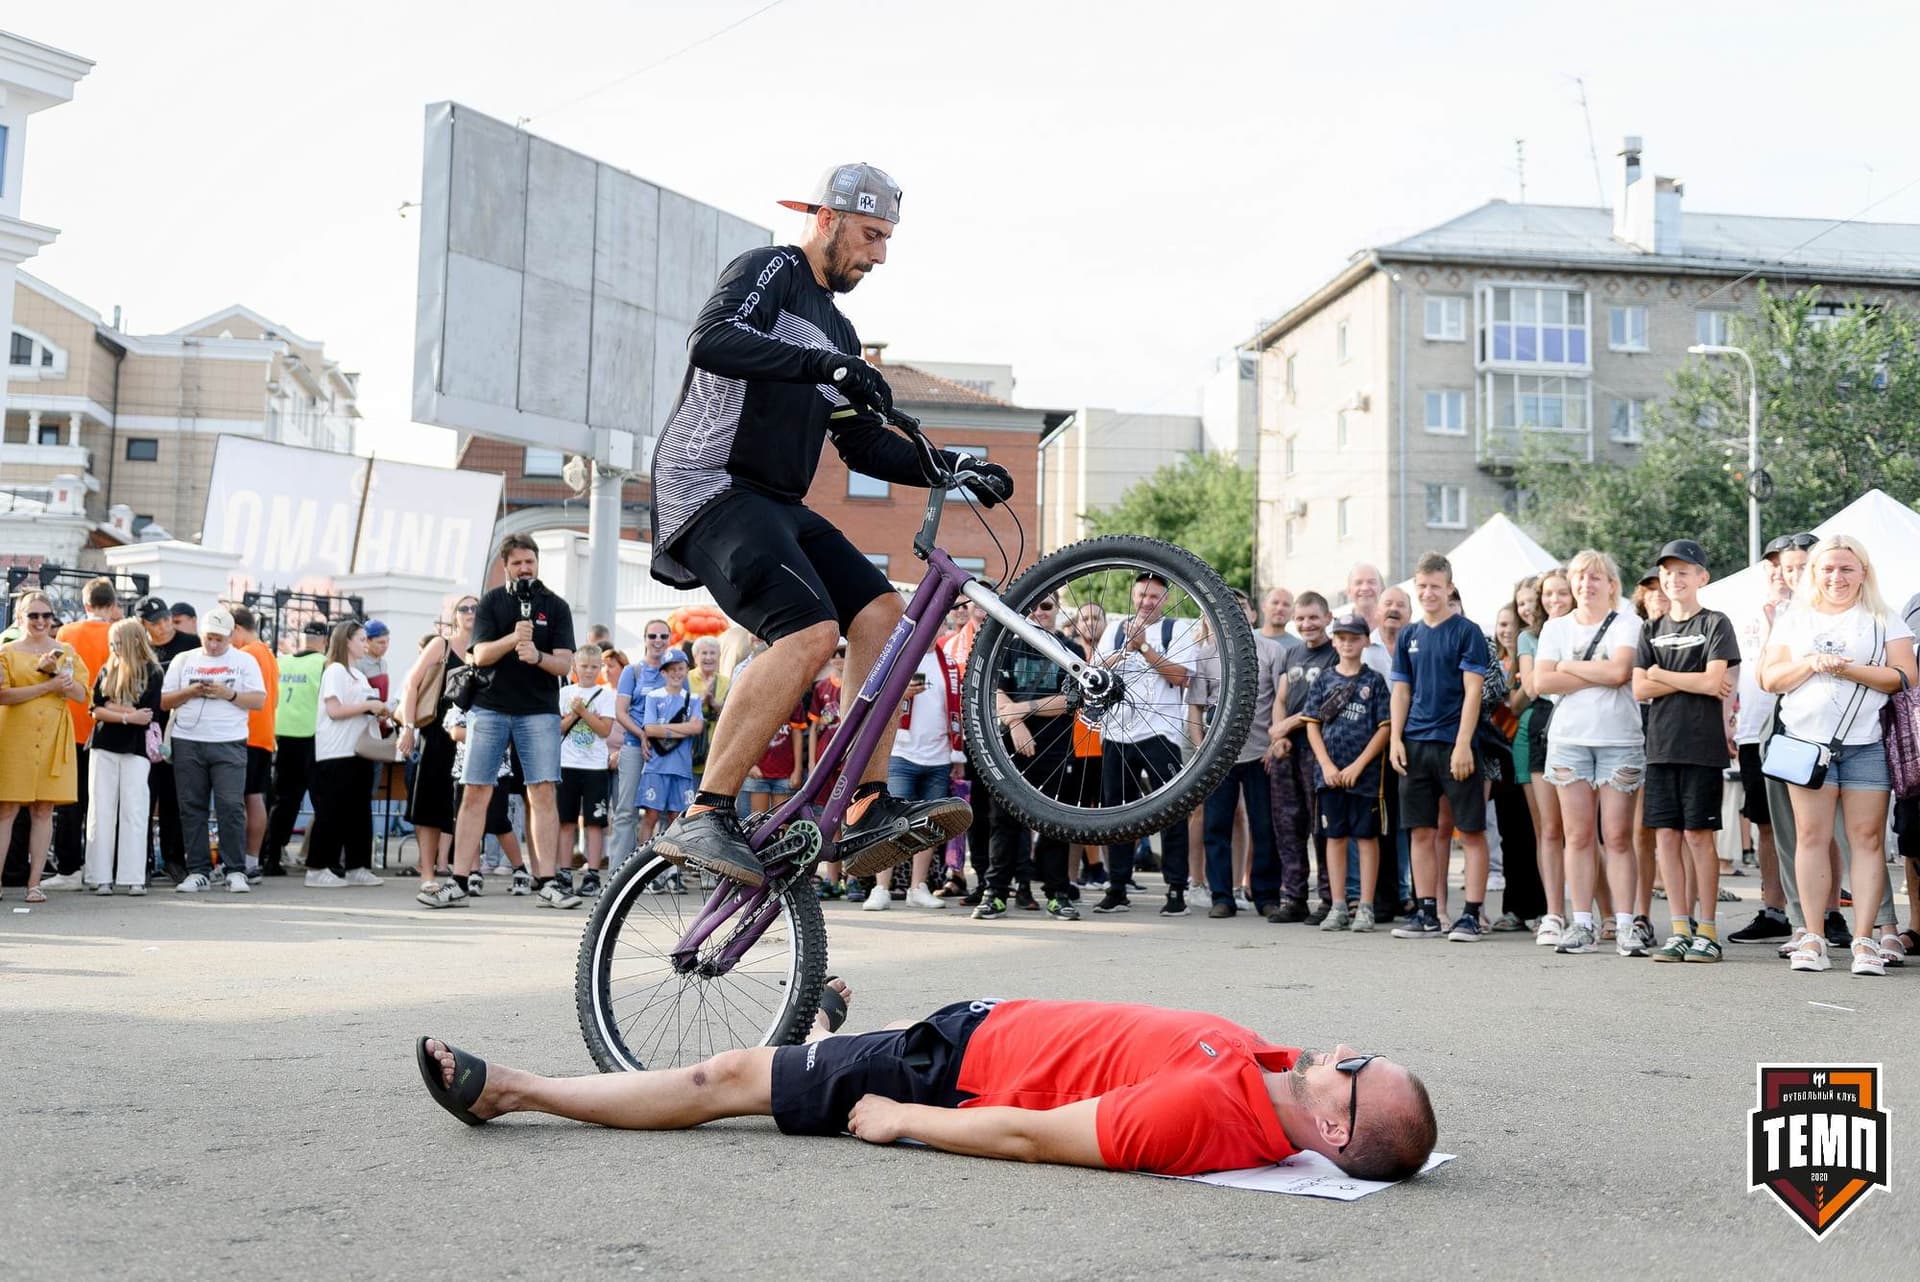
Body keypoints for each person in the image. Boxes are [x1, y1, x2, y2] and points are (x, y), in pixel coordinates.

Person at [645, 164, 1003, 889]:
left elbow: (862, 443)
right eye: (871, 236)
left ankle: (868, 802)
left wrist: (951, 468)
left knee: (882, 614)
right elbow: (712, 340)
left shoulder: (839, 328)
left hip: (776, 500)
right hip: (710, 484)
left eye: (888, 240)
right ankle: (707, 810)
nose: (878, 256)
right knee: (807, 633)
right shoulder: (770, 267)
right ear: (829, 218)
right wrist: (828, 365)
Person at [414, 986, 1438, 1183]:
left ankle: (512, 1089)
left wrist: (906, 1117)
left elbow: (1043, 1137)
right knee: (803, 1057)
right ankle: (818, 1024)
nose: (1339, 1051)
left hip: (943, 1070)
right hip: (970, 1026)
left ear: (1338, 1132)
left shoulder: (1204, 1116)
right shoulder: (1269, 1071)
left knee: (725, 1077)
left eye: (1353, 1068)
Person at [1760, 535, 1918, 976]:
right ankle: (1812, 935)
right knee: (1812, 838)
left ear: (1863, 572)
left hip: (1867, 744)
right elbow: (1770, 677)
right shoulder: (1796, 618)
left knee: (1867, 842)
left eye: (1847, 568)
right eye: (1827, 568)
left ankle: (1865, 939)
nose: (1837, 576)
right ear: (1814, 573)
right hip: (1806, 743)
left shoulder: (1883, 618)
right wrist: (1810, 663)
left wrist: (1848, 668)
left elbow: (1905, 675)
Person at [431, 535, 579, 911]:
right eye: (517, 563)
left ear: (537, 562)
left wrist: (537, 655)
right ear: (505, 565)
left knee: (542, 792)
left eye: (529, 561)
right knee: (475, 791)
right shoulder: (492, 603)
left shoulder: (556, 606)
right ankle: (459, 880)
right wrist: (513, 638)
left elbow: (564, 664)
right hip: (490, 708)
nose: (524, 568)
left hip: (539, 711)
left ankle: (547, 881)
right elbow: (477, 654)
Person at [1631, 540, 1742, 963]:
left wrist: (1662, 673)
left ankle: (1707, 930)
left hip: (1702, 746)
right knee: (1666, 837)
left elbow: (1716, 682)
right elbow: (1640, 687)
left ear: (1701, 577)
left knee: (1698, 836)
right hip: (1660, 746)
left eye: (1683, 571)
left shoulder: (1716, 623)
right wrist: (1686, 677)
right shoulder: (1650, 628)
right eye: (1668, 572)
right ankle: (1679, 928)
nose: (1674, 579)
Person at [1534, 551, 1644, 956]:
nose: (1586, 584)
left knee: (1617, 835)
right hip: (1570, 740)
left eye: (1595, 577)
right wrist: (1588, 670)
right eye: (1579, 577)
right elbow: (1541, 679)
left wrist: (1569, 667)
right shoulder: (1555, 628)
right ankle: (1581, 922)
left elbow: (1620, 674)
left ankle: (1626, 923)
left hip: (1619, 739)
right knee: (1577, 835)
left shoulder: (1628, 623)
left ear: (1611, 584)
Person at [1387, 554, 1492, 942]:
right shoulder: (1410, 635)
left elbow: (1473, 691)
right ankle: (1427, 911)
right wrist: (1396, 738)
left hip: (1455, 744)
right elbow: (1401, 690)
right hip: (1415, 743)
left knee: (1470, 830)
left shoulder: (1467, 632)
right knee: (1420, 831)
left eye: (1435, 586)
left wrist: (1463, 743)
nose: (1428, 593)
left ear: (1449, 587)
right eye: (1422, 587)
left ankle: (1471, 914)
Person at [1092, 573, 1198, 917]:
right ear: (1131, 595)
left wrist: (1145, 648)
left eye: (1154, 596)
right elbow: (1095, 672)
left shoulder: (1176, 629)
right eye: (1141, 595)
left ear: (1164, 599)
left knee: (1171, 811)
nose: (1146, 601)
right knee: (1116, 813)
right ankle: (1117, 887)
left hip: (1159, 733)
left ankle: (1176, 888)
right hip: (1116, 732)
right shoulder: (1115, 628)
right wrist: (1124, 650)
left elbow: (1181, 677)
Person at [1727, 533, 1813, 947]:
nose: (1781, 572)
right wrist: (1729, 719)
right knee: (1763, 822)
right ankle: (1774, 909)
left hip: (1805, 729)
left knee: (1814, 825)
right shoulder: (1746, 611)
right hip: (1753, 732)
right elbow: (1735, 672)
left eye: (1791, 565)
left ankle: (1825, 911)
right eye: (1775, 564)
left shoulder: (1814, 609)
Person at [974, 595, 1076, 921]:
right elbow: (995, 691)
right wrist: (1016, 722)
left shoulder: (1071, 650)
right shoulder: (1007, 646)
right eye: (1034, 606)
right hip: (1009, 745)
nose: (1039, 612)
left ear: (1057, 609)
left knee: (1055, 823)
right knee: (1003, 820)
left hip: (1056, 746)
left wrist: (1021, 709)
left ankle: (1058, 894)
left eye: (1047, 606)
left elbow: (1070, 700)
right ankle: (996, 893)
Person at [159, 606, 266, 893]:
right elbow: (165, 700)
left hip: (229, 741)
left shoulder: (244, 661)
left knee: (230, 806)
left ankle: (235, 869)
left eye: (220, 639)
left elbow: (258, 700)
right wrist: (190, 692)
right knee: (191, 807)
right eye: (208, 638)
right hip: (188, 740)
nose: (214, 644)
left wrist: (228, 693)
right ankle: (197, 869)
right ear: (201, 635)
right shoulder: (184, 660)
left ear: (231, 636)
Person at [0, 591, 91, 903]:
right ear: (20, 618)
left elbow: (81, 694)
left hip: (53, 735)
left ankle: (34, 884)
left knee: (43, 809)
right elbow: (3, 695)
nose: (40, 621)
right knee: (7, 808)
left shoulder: (65, 651)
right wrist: (46, 687)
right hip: (15, 734)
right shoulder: (7, 652)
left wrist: (55, 673)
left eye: (46, 615)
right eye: (33, 615)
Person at [1304, 614, 1392, 931]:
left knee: (1366, 838)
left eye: (1353, 637)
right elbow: (1312, 724)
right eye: (1341, 637)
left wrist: (1359, 765)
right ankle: (1338, 905)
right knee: (1334, 837)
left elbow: (1385, 728)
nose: (1347, 643)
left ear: (1366, 641)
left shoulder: (1374, 682)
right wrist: (1327, 765)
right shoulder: (1324, 680)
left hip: (1365, 777)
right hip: (1328, 776)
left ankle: (1365, 906)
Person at [1265, 592, 1339, 922]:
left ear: (1328, 618)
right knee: (1287, 826)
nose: (1307, 624)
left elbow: (1327, 706)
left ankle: (1328, 898)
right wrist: (1279, 732)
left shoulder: (1336, 654)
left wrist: (1283, 729)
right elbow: (1281, 696)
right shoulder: (1290, 653)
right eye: (1301, 618)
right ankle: (1294, 898)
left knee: (1320, 827)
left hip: (1318, 750)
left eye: (1313, 617)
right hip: (1287, 752)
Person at [43, 577, 119, 889]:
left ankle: (69, 867)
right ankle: (102, 867)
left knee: (71, 802)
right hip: (109, 725)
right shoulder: (119, 633)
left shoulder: (67, 633)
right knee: (105, 803)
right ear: (112, 605)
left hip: (73, 726)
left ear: (85, 604)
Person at [401, 595, 475, 902]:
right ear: (454, 615)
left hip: (472, 734)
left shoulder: (484, 650)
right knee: (430, 806)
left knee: (465, 807)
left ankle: (464, 874)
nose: (471, 613)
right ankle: (428, 874)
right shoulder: (441, 645)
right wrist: (407, 726)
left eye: (476, 608)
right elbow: (411, 683)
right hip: (435, 733)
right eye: (465, 608)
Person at [306, 621, 389, 888]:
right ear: (347, 641)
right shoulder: (336, 671)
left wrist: (379, 709)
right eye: (361, 639)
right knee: (332, 812)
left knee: (359, 812)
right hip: (336, 751)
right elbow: (335, 710)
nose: (366, 644)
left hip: (359, 750)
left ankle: (358, 866)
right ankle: (317, 868)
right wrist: (368, 705)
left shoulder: (358, 674)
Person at [84, 618, 162, 895]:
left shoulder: (152, 671)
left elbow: (147, 715)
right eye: (111, 642)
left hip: (135, 748)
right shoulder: (108, 669)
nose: (113, 647)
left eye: (117, 642)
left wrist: (114, 710)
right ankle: (99, 876)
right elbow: (96, 709)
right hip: (103, 745)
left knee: (135, 811)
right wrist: (127, 714)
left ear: (131, 641)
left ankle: (133, 876)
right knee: (100, 810)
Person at [1517, 570, 1572, 944]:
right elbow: (1535, 684)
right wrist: (1581, 673)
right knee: (1550, 829)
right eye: (1548, 594)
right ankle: (1554, 912)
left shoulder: (1589, 627)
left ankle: (1603, 913)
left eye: (1562, 593)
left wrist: (1559, 674)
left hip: (1586, 726)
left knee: (1586, 832)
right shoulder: (1529, 636)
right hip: (1542, 725)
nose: (1554, 600)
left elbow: (1615, 675)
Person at [136, 597, 198, 884]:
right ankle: (142, 861)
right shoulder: (138, 646)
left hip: (178, 729)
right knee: (143, 798)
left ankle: (175, 860)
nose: (163, 627)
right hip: (144, 728)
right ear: (143, 625)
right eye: (155, 622)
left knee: (174, 797)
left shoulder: (191, 642)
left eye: (165, 620)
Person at [265, 619, 328, 875]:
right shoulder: (324, 664)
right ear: (324, 640)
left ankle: (271, 857)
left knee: (283, 802)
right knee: (321, 802)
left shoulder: (281, 662)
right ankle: (317, 859)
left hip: (282, 737)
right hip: (312, 738)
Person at [607, 619, 672, 870]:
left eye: (663, 636)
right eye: (653, 636)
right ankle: (617, 873)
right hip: (635, 745)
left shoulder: (675, 671)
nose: (658, 641)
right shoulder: (632, 672)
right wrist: (644, 734)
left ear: (669, 640)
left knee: (663, 812)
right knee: (626, 811)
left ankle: (657, 874)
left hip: (665, 750)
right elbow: (621, 712)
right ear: (644, 639)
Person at [557, 643, 616, 897]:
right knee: (566, 821)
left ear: (600, 668)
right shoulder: (564, 693)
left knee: (594, 822)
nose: (589, 671)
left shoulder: (605, 695)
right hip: (567, 764)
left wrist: (582, 711)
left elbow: (605, 730)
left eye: (594, 666)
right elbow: (558, 728)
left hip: (594, 767)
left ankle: (592, 873)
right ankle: (563, 872)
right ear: (574, 667)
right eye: (584, 666)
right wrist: (573, 714)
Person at [230, 606, 280, 882]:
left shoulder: (246, 655)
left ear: (237, 628)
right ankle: (251, 860)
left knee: (239, 800)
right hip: (264, 735)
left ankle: (241, 861)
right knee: (255, 797)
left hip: (245, 734)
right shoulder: (268, 654)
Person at [635, 649, 703, 848]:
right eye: (671, 669)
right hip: (656, 766)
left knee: (677, 819)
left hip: (681, 767)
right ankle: (642, 864)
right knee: (651, 816)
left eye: (680, 668)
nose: (676, 673)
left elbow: (697, 727)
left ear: (686, 670)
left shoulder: (693, 698)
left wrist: (662, 729)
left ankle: (673, 871)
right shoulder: (654, 697)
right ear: (663, 672)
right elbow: (649, 728)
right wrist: (683, 730)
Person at [1260, 588, 1301, 657]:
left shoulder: (1300, 648)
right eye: (1275, 603)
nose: (1280, 608)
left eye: (1286, 605)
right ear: (1263, 606)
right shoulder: (1247, 639)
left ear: (1293, 612)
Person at [358, 620, 392, 701]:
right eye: (381, 642)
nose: (385, 646)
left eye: (387, 641)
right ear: (368, 641)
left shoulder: (384, 663)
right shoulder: (359, 664)